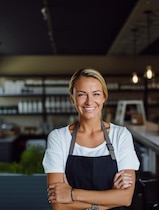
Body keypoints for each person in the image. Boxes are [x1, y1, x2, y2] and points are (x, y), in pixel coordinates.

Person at [42, 68, 140, 209]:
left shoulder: (121, 135)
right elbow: (58, 205)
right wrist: (110, 197)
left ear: (104, 97)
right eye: (82, 94)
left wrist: (72, 193)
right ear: (72, 98)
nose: (89, 102)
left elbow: (125, 198)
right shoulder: (58, 138)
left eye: (96, 94)